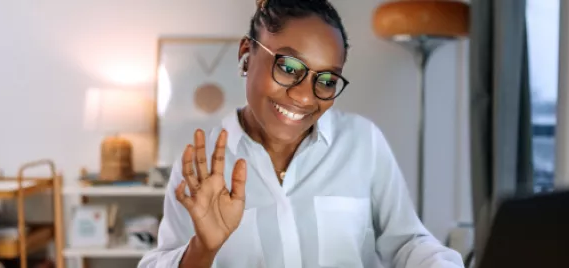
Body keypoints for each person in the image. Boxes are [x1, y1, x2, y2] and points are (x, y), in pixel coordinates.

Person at [137, 0, 465, 267]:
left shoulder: (362, 142)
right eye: (289, 68)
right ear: (245, 56)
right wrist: (201, 251)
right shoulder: (201, 165)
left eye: (326, 81)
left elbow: (407, 242)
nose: (306, 97)